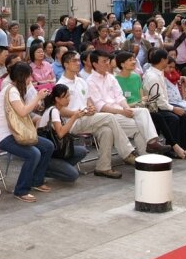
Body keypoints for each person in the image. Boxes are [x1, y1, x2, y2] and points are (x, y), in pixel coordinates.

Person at [56, 50, 136, 179]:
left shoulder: (81, 81)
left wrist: (91, 108)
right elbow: (60, 110)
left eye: (78, 60)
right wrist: (78, 113)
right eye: (74, 61)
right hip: (73, 122)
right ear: (65, 64)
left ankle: (103, 167)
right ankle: (127, 152)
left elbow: (88, 100)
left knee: (107, 131)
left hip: (87, 118)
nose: (78, 63)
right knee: (109, 117)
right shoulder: (61, 84)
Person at [86, 50, 171, 156]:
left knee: (143, 111)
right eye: (104, 61)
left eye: (108, 60)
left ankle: (152, 143)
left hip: (120, 110)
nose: (107, 63)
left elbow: (120, 96)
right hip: (108, 115)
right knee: (139, 126)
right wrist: (122, 112)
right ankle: (145, 156)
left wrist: (126, 108)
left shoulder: (110, 77)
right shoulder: (90, 81)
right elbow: (100, 106)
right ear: (95, 64)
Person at [0, 62, 53, 202]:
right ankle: (21, 190)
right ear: (22, 76)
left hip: (17, 132)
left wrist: (37, 101)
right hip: (5, 136)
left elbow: (26, 109)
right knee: (33, 154)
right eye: (29, 76)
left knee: (48, 146)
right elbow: (23, 111)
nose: (31, 79)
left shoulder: (17, 90)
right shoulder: (12, 91)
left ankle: (36, 181)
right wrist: (38, 97)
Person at [141, 50, 186, 159]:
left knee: (184, 115)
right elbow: (159, 100)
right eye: (167, 59)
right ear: (162, 60)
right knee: (173, 118)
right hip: (154, 108)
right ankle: (171, 149)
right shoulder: (153, 76)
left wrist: (173, 108)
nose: (168, 61)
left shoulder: (158, 72)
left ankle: (182, 147)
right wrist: (173, 109)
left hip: (162, 105)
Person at [36, 84, 88, 183]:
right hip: (50, 154)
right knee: (73, 175)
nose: (69, 99)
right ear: (57, 99)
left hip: (57, 150)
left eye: (69, 96)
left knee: (82, 151)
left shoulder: (53, 109)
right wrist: (74, 117)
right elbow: (60, 133)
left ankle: (60, 167)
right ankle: (43, 170)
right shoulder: (54, 111)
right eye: (66, 97)